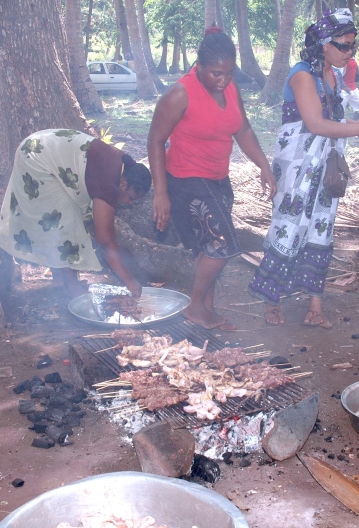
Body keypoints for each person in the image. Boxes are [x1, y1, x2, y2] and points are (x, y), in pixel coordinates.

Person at [248, 8, 359, 328]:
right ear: (324, 44)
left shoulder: (334, 76)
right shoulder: (301, 75)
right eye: (344, 45)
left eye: (353, 45)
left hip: (325, 169)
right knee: (287, 227)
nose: (350, 52)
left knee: (322, 230)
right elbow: (314, 123)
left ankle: (315, 307)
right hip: (299, 168)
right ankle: (272, 303)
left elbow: (335, 121)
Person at [148, 27, 276, 330]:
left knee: (207, 248)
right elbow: (155, 140)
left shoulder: (230, 89)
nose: (223, 80)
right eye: (216, 74)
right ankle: (193, 306)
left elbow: (242, 129)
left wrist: (264, 166)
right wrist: (160, 193)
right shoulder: (180, 93)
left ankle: (206, 309)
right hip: (185, 180)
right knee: (223, 245)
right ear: (199, 66)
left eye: (229, 73)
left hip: (218, 179)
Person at [0, 128, 152, 297]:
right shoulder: (109, 184)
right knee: (63, 223)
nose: (128, 203)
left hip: (37, 147)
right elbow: (105, 240)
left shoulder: (124, 164)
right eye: (131, 198)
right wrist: (129, 280)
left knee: (63, 219)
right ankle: (70, 286)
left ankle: (60, 279)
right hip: (37, 159)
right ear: (123, 184)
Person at [341, 43, 359, 121]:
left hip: (353, 89)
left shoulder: (354, 59)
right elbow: (338, 77)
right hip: (343, 90)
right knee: (340, 113)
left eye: (355, 48)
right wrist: (346, 88)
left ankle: (354, 124)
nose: (355, 50)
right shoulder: (342, 60)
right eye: (353, 48)